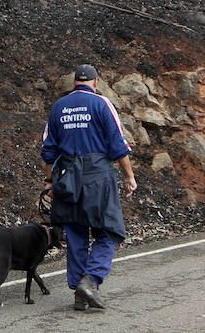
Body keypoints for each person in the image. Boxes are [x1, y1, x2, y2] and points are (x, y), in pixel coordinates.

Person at [41, 63, 137, 311]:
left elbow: (48, 150)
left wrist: (50, 182)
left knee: (75, 234)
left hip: (66, 177)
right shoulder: (102, 104)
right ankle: (90, 281)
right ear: (95, 83)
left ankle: (78, 292)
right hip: (97, 176)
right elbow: (118, 143)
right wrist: (129, 176)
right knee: (109, 231)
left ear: (75, 83)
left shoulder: (58, 107)